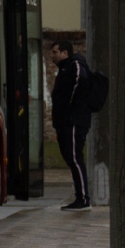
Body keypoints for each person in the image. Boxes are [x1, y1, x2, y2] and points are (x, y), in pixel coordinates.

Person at [49, 39, 92, 211]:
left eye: (55, 52)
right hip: (65, 121)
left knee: (75, 158)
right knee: (71, 158)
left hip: (74, 120)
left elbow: (76, 87)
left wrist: (67, 110)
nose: (52, 55)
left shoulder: (75, 65)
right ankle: (80, 197)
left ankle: (83, 199)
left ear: (65, 53)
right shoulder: (65, 69)